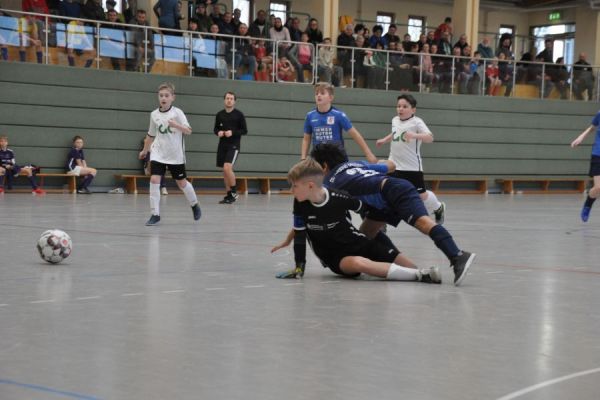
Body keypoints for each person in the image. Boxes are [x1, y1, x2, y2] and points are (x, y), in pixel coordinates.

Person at [311, 143, 476, 286]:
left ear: (324, 166)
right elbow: (391, 165)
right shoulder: (357, 165)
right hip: (384, 199)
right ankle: (400, 267)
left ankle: (457, 256)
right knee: (366, 233)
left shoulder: (329, 182)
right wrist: (378, 164)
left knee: (423, 223)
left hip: (394, 191)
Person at [271, 158, 441, 283]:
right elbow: (300, 234)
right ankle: (419, 276)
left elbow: (365, 209)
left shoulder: (339, 197)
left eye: (294, 185)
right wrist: (299, 267)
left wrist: (382, 222)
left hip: (357, 241)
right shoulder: (300, 204)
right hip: (336, 257)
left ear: (309, 185)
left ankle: (420, 272)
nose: (290, 190)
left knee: (398, 259)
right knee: (359, 263)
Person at [376, 94, 446, 224]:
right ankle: (381, 222)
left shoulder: (417, 122)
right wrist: (384, 140)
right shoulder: (395, 120)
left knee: (421, 195)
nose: (400, 109)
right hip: (394, 163)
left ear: (413, 109)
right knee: (386, 189)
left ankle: (438, 207)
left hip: (411, 166)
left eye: (404, 107)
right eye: (398, 106)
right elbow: (395, 132)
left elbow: (430, 138)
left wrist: (414, 135)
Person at [138, 83, 201, 225]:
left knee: (182, 183)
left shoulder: (177, 113)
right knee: (154, 180)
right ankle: (155, 214)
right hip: (158, 153)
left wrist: (176, 125)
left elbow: (189, 131)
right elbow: (150, 135)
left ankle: (194, 204)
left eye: (166, 95)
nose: (163, 98)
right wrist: (145, 150)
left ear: (173, 97)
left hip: (175, 155)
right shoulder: (154, 114)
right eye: (161, 96)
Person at [301, 83, 377, 163]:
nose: (318, 96)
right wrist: (303, 158)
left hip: (336, 158)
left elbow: (355, 135)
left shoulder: (339, 115)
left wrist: (369, 154)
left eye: (322, 93)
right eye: (316, 94)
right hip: (318, 158)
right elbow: (306, 139)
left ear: (331, 97)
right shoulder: (310, 116)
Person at [213, 91, 247, 204]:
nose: (229, 100)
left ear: (234, 101)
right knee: (224, 171)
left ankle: (233, 192)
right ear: (224, 100)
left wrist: (232, 132)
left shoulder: (239, 115)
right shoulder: (219, 115)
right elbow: (215, 129)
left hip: (234, 145)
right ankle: (228, 195)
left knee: (228, 167)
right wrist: (218, 133)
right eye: (227, 98)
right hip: (222, 145)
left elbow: (244, 130)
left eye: (231, 98)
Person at [570, 112, 600, 222]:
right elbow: (592, 127)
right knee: (598, 187)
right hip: (598, 153)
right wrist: (581, 137)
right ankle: (588, 205)